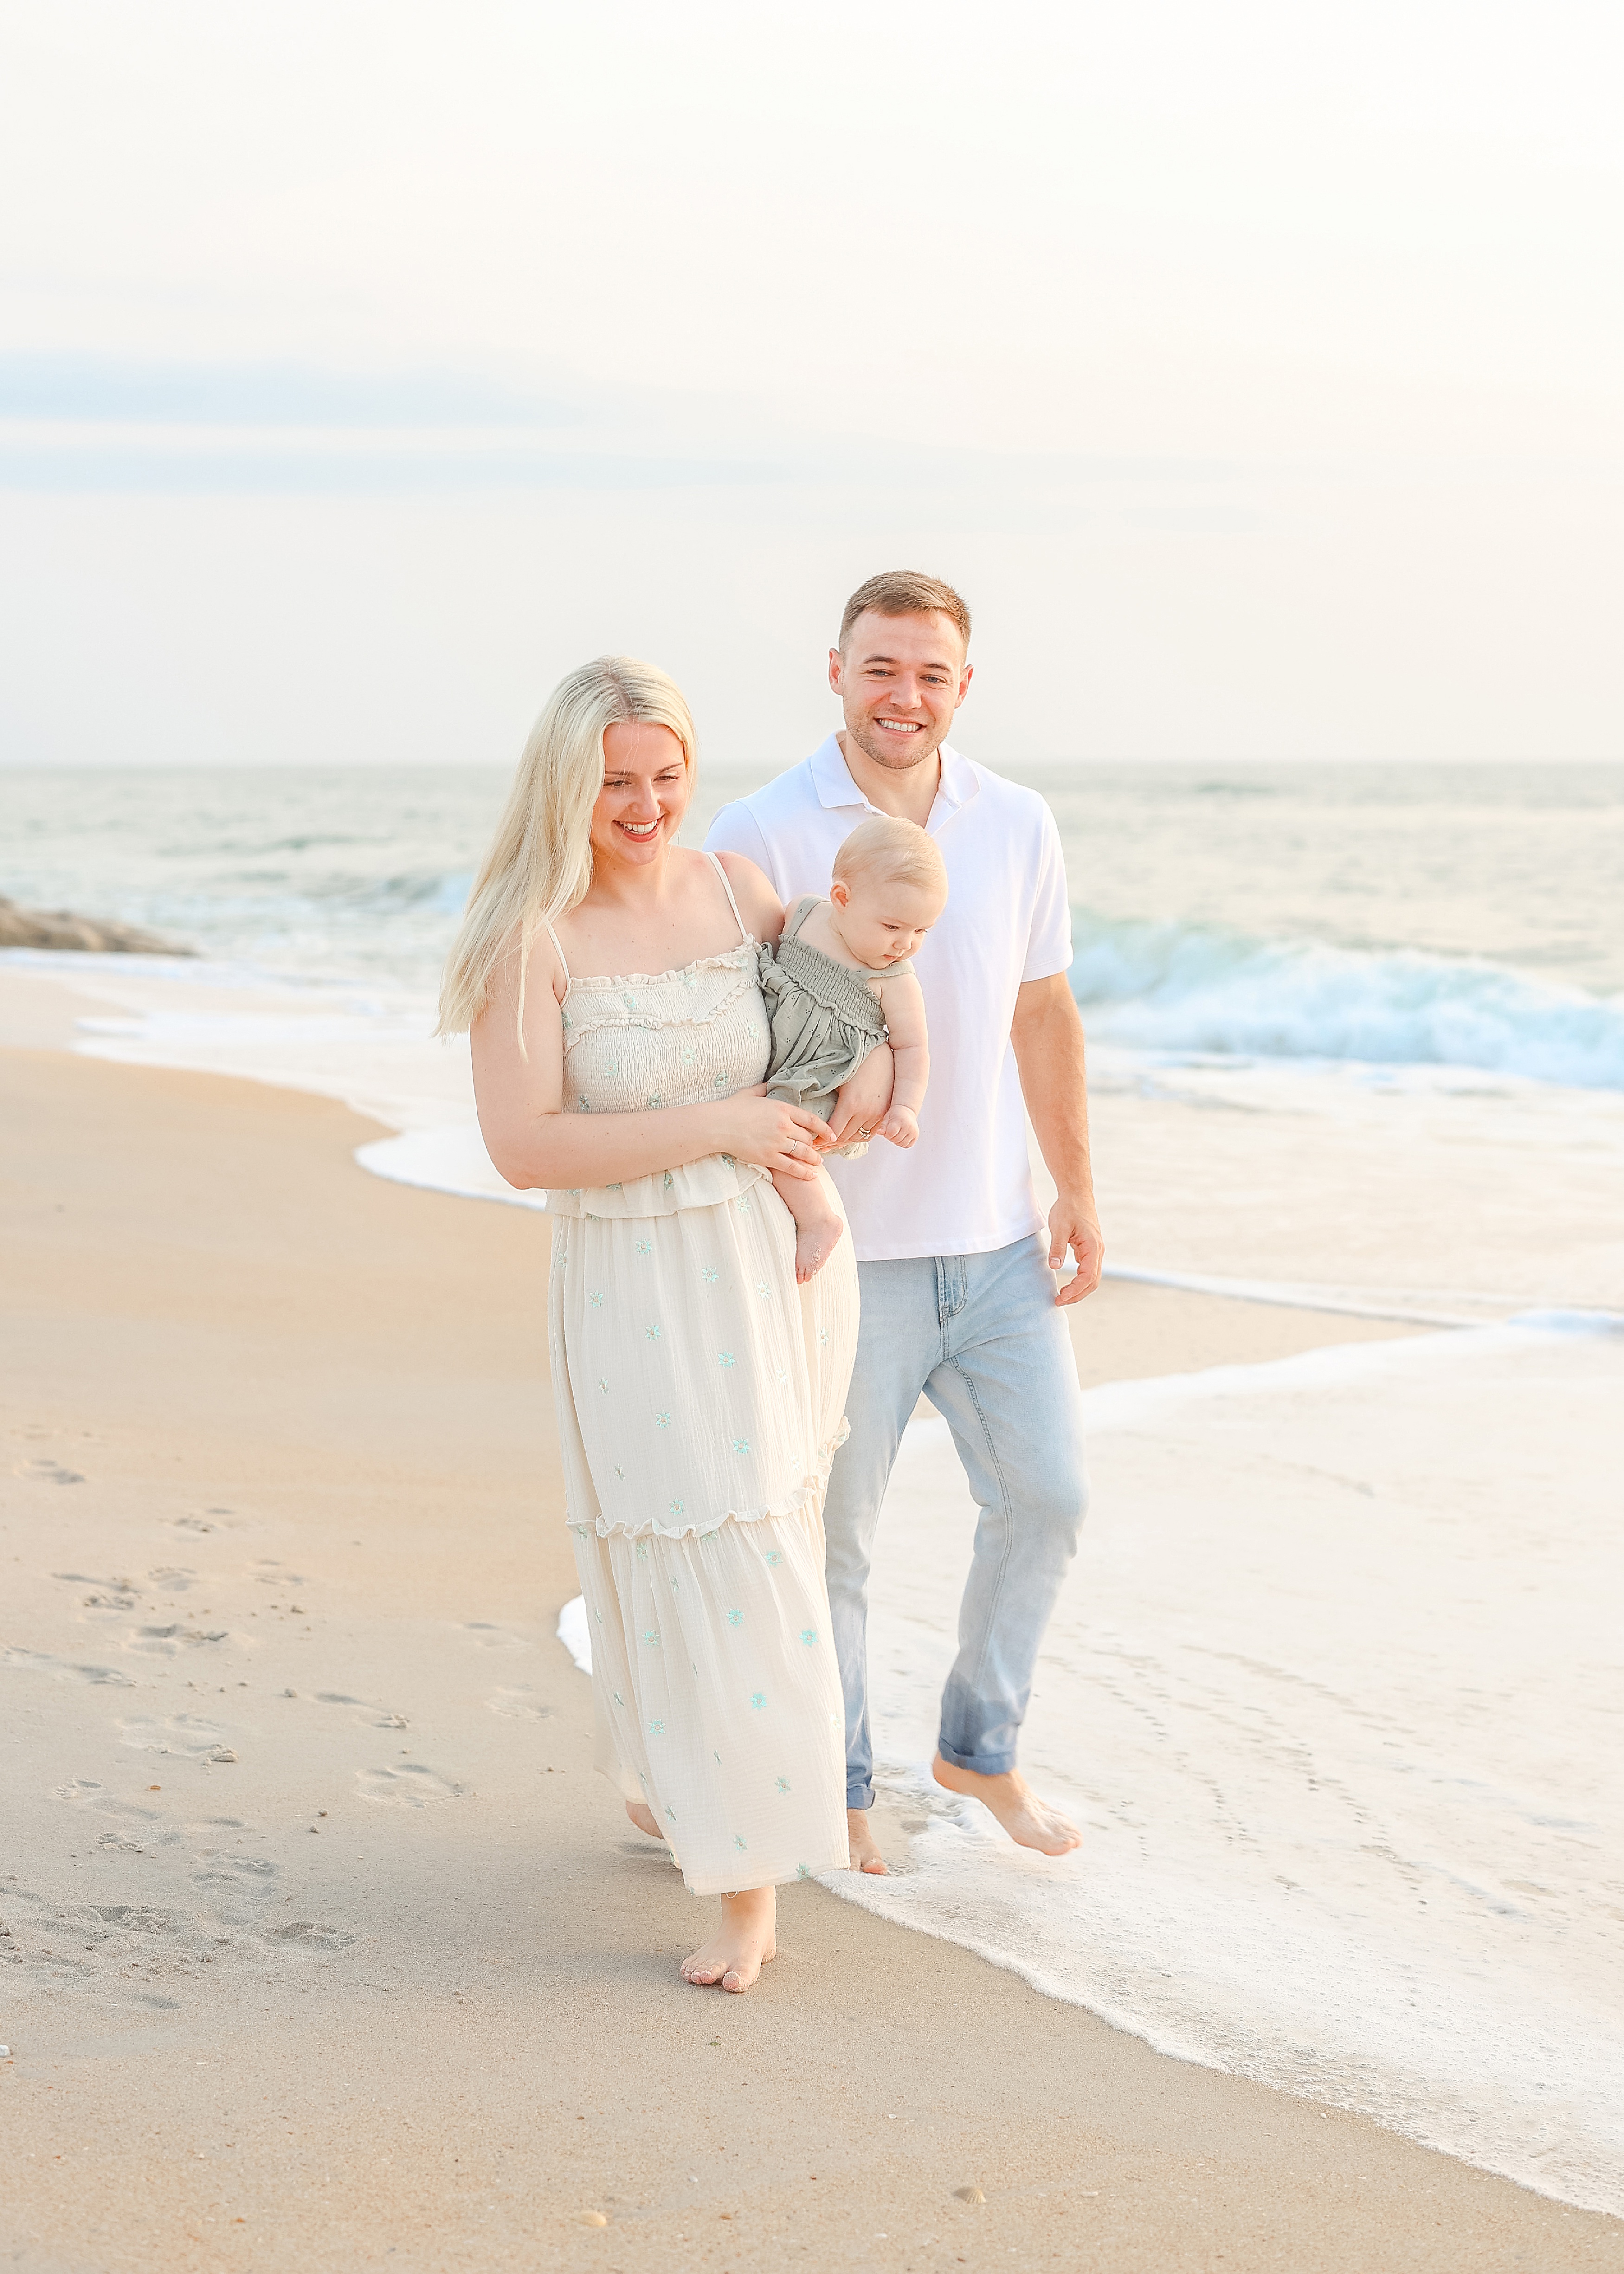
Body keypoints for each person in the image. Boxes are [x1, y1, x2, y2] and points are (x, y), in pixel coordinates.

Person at [441, 656, 859, 1991]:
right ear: (568, 784)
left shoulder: (737, 888)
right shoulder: (533, 937)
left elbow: (838, 1017)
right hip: (636, 1288)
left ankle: (738, 1825)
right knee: (693, 1540)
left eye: (667, 775)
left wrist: (849, 1109)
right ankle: (744, 1879)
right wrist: (724, 1125)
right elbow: (525, 1146)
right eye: (616, 781)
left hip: (773, 1265)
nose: (646, 804)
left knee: (765, 1537)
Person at [706, 570, 1104, 1875]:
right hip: (837, 1261)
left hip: (992, 1244)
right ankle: (840, 1783)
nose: (905, 695)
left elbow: (1041, 1012)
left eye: (930, 673)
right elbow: (727, 1047)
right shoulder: (762, 831)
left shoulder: (1017, 821)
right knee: (838, 1545)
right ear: (834, 670)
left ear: (963, 687)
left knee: (1047, 1497)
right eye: (881, 667)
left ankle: (977, 1747)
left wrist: (1076, 1188)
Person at [756, 813, 947, 1282]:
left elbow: (913, 1048)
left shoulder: (894, 980)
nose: (905, 944)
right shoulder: (800, 914)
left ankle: (818, 1218)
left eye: (921, 931)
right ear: (841, 898)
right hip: (768, 1053)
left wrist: (905, 1107)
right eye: (892, 926)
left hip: (817, 1076)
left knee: (782, 1138)